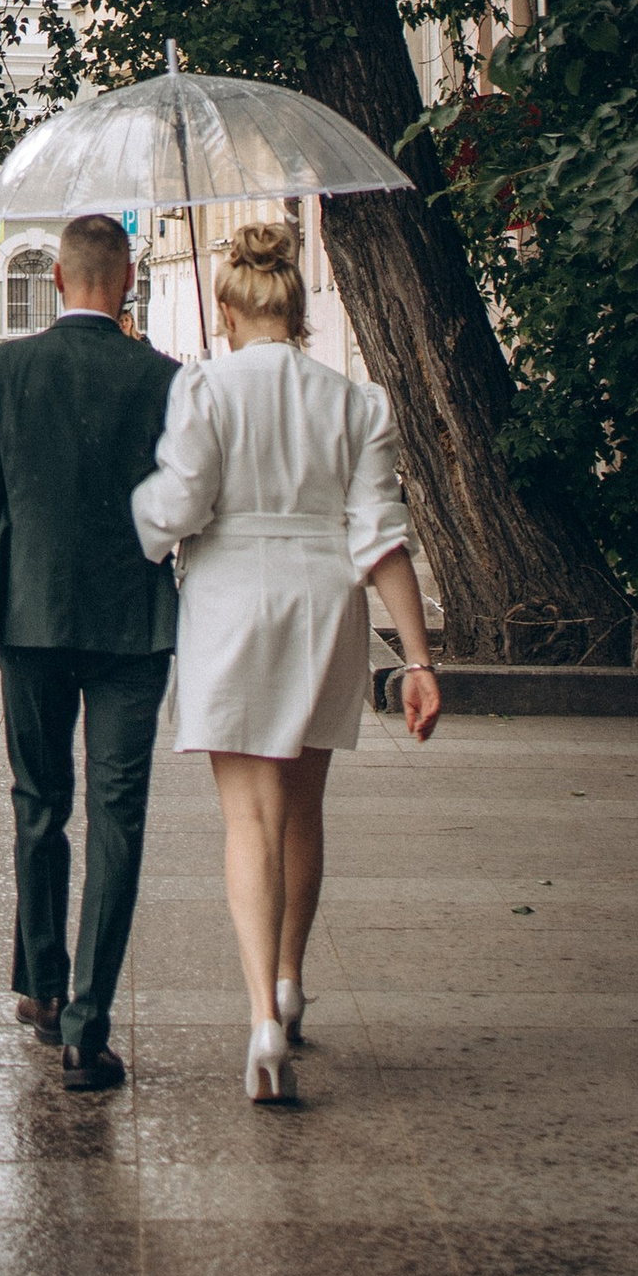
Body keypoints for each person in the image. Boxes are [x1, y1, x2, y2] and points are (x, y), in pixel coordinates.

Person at [132, 215, 441, 1107]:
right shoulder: (354, 403)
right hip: (322, 602)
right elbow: (382, 537)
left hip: (230, 601)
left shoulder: (205, 389)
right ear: (298, 309)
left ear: (227, 305)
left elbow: (180, 507)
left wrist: (144, 522)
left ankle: (259, 1015)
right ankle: (292, 984)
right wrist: (416, 660)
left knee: (248, 820)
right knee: (303, 807)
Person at [0, 209, 177, 1094]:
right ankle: (90, 1024)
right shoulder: (164, 379)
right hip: (134, 627)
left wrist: (5, 587)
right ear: (126, 281)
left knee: (39, 802)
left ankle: (43, 990)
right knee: (119, 814)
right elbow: (180, 500)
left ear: (56, 280)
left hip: (31, 617)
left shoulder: (4, 370)